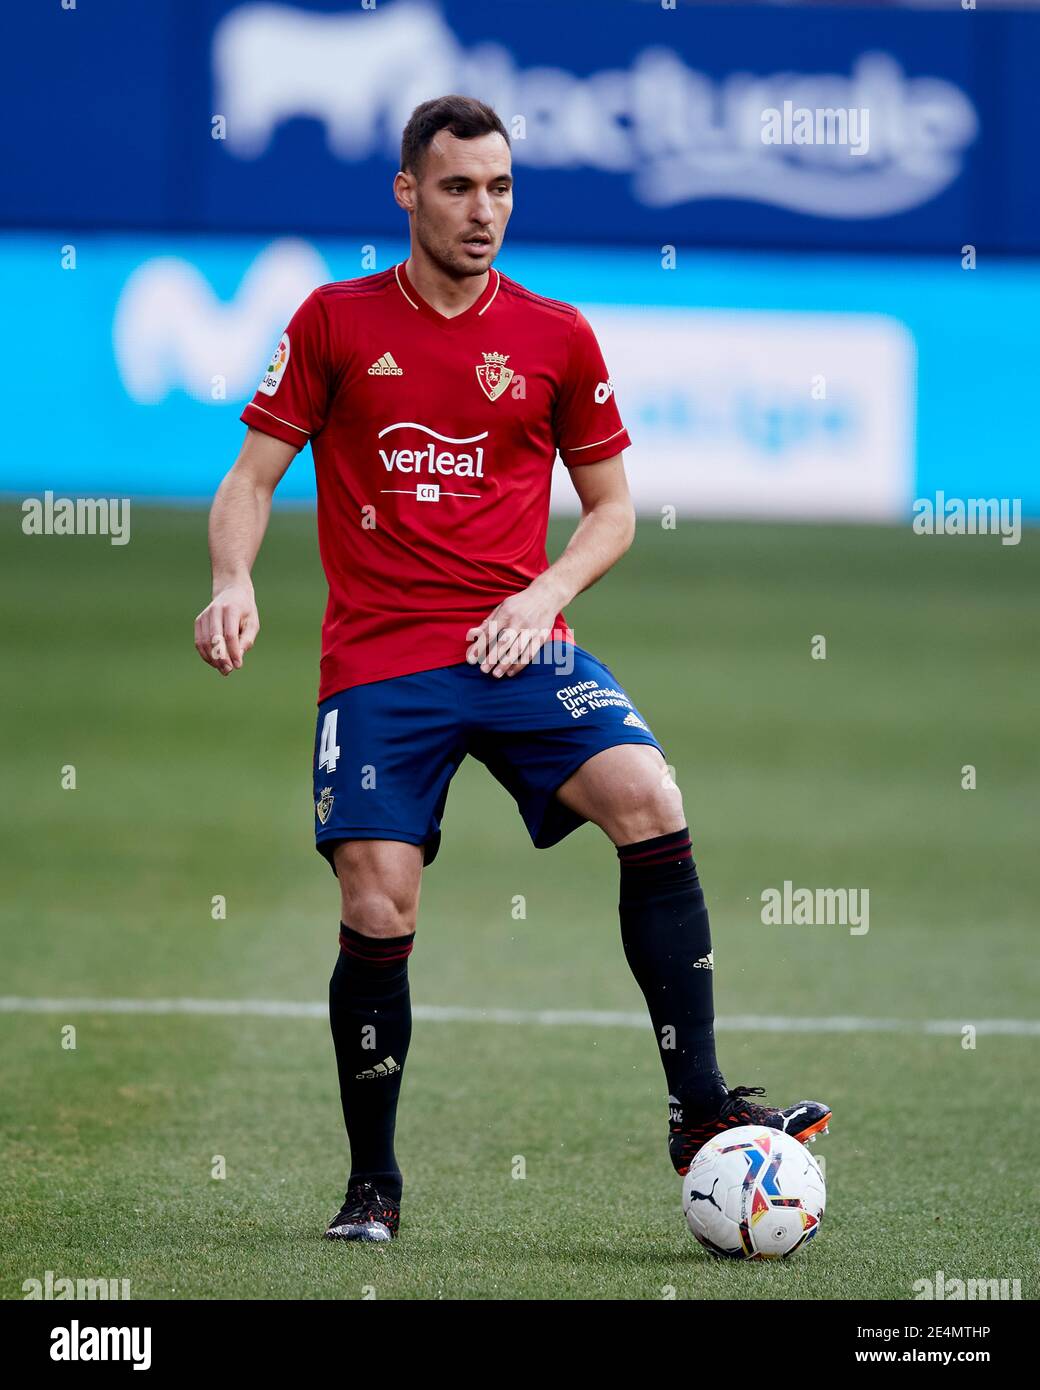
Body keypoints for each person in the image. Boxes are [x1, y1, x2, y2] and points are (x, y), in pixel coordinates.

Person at [194, 94, 831, 1243]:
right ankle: (371, 1186)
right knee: (377, 895)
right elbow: (248, 480)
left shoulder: (555, 335)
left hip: (521, 645)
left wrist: (542, 594)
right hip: (382, 662)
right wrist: (234, 578)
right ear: (406, 192)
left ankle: (697, 1110)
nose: (480, 211)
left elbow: (614, 512)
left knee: (649, 796)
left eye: (497, 188)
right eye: (454, 187)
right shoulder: (335, 323)